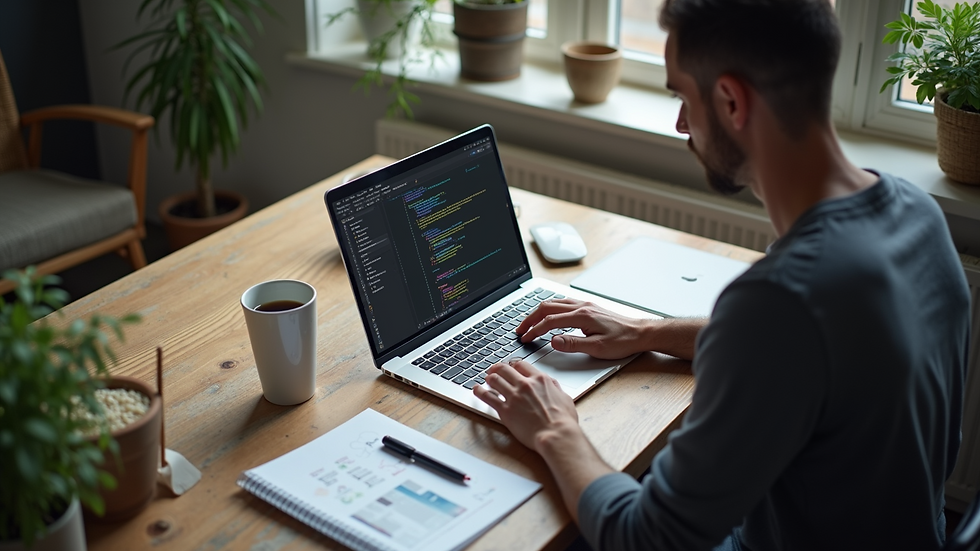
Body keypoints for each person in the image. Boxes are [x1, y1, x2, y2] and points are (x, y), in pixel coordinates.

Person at [472, 1, 971, 550]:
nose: (681, 125)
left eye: (683, 98)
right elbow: (808, 347)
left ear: (732, 101)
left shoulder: (781, 300)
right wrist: (644, 331)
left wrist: (555, 429)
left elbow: (644, 537)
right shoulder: (916, 213)